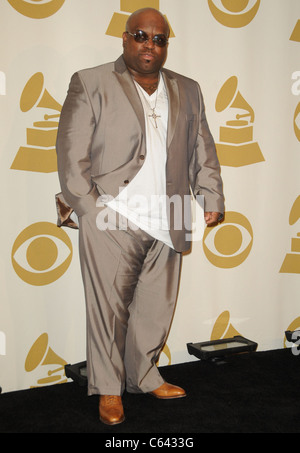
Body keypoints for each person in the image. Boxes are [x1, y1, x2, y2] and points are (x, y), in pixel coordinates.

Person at [56, 7, 224, 425]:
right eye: (141, 36)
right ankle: (109, 389)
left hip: (170, 211)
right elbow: (70, 152)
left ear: (167, 44)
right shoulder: (91, 81)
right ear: (126, 38)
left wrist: (210, 196)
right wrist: (91, 209)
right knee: (108, 311)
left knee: (155, 307)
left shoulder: (188, 88)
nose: (150, 45)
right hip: (112, 214)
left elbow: (203, 148)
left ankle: (144, 376)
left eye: (159, 39)